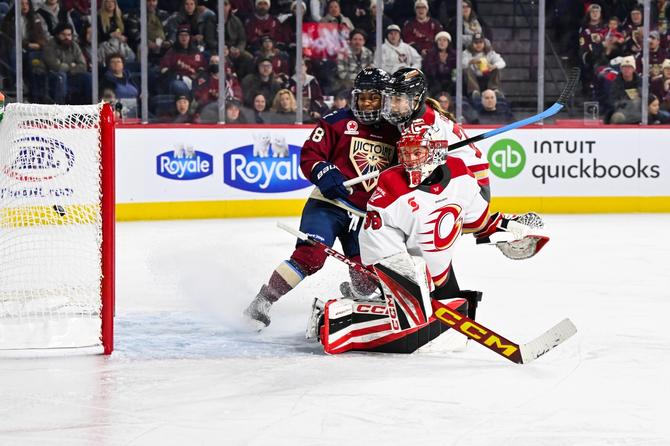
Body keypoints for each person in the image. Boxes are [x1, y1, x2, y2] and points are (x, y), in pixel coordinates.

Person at [243, 68, 400, 330]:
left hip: (364, 216)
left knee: (367, 278)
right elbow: (310, 155)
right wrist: (323, 171)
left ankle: (357, 296)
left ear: (385, 99)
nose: (366, 104)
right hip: (328, 206)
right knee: (311, 256)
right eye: (362, 98)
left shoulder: (394, 133)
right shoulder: (336, 122)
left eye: (373, 98)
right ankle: (262, 301)